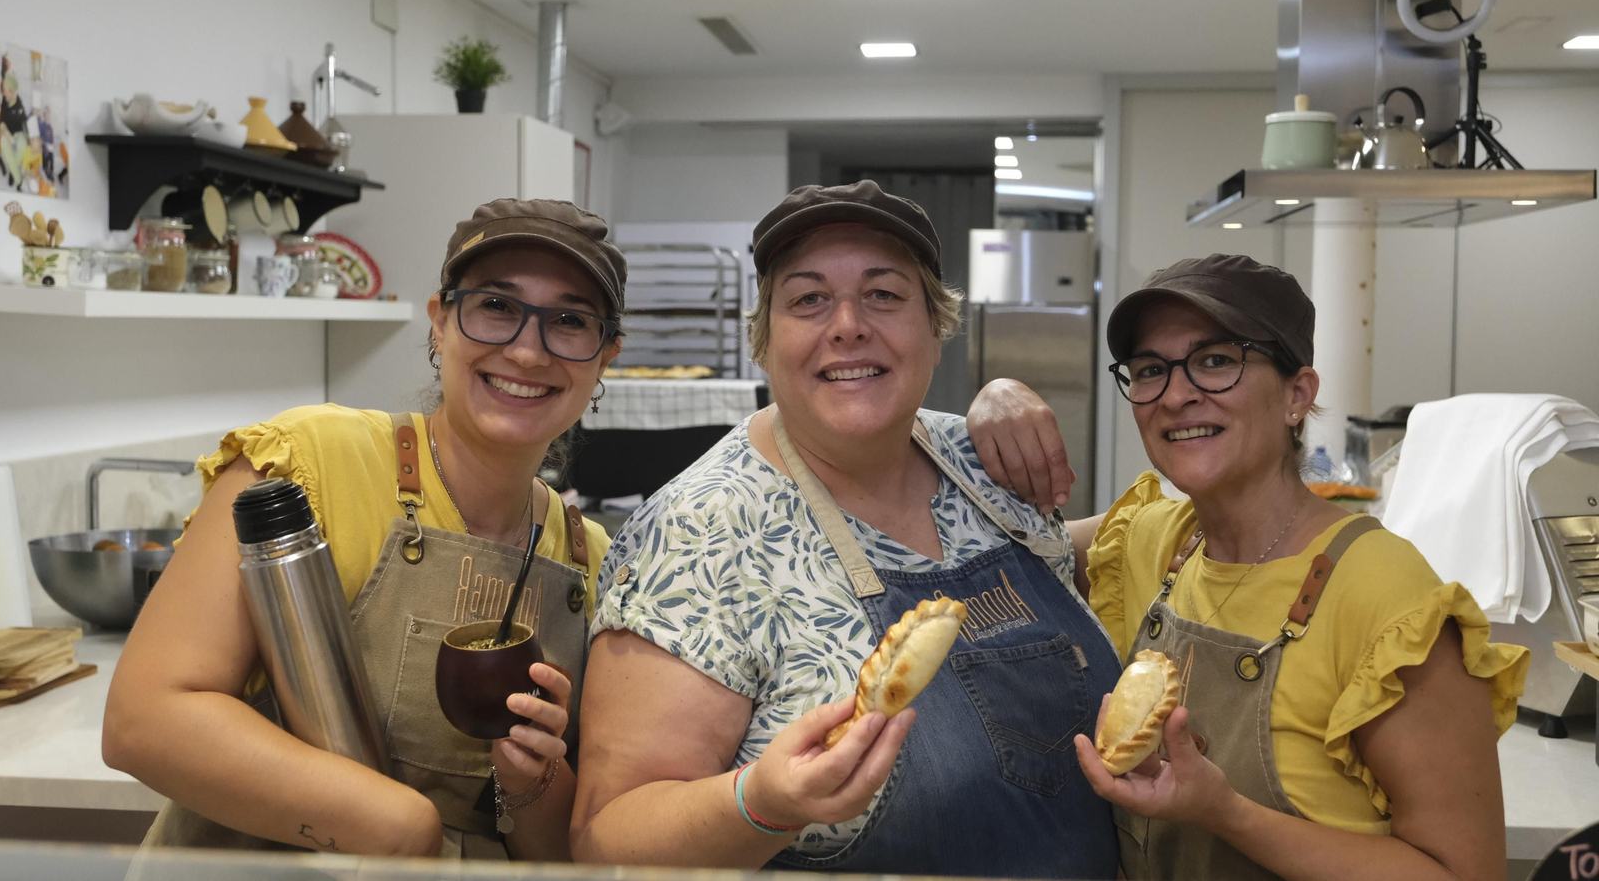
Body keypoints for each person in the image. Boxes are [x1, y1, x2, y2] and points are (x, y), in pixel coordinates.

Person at [571, 181, 1120, 879]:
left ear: (937, 328)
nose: (848, 324)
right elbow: (604, 838)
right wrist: (760, 804)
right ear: (765, 343)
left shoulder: (984, 463)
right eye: (808, 299)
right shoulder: (698, 532)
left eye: (885, 294)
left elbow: (1068, 554)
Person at [965, 254, 1528, 881]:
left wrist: (1228, 812)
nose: (1177, 395)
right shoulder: (1152, 540)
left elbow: (1464, 872)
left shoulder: (1387, 598)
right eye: (1151, 370)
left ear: (1297, 394)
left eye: (1215, 361)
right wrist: (994, 397)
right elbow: (978, 554)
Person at [103, 199, 628, 860]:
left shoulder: (593, 566)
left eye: (570, 321)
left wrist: (532, 780)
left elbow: (558, 855)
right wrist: (395, 826)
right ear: (440, 324)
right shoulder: (309, 462)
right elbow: (144, 719)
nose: (527, 349)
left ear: (605, 357)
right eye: (496, 306)